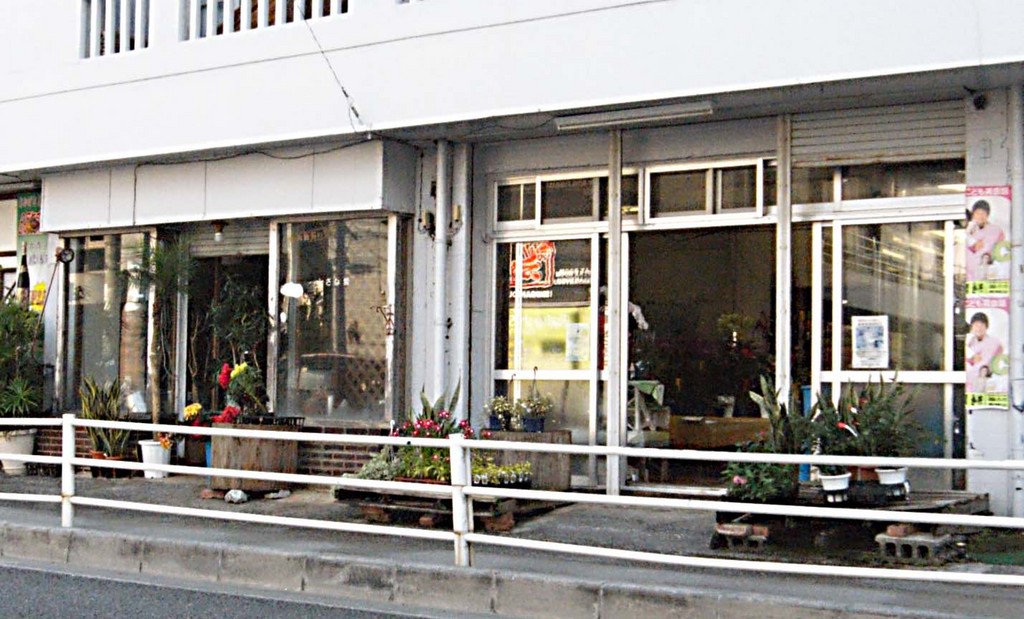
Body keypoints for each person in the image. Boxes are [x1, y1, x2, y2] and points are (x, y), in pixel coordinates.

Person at [966, 200, 1006, 281]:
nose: (980, 216)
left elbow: (996, 249)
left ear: (988, 215)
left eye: (983, 213)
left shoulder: (995, 230)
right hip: (968, 275)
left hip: (986, 273)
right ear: (973, 214)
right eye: (978, 213)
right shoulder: (968, 229)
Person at [966, 312, 1003, 390]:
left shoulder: (993, 342)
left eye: (982, 325)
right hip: (970, 382)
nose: (979, 328)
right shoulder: (971, 341)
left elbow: (983, 364)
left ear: (986, 327)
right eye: (976, 325)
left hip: (984, 381)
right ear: (972, 327)